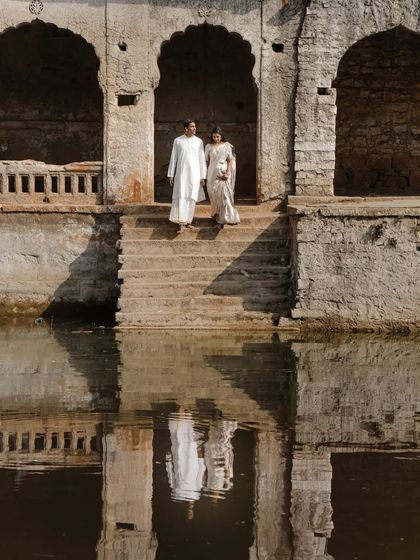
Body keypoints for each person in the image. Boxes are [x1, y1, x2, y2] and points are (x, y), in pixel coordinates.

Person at [167, 119, 207, 233]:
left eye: (195, 126)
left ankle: (188, 222)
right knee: (181, 196)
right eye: (192, 126)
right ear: (186, 128)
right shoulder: (178, 141)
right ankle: (180, 223)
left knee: (192, 197)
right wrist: (171, 174)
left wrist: (203, 176)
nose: (194, 128)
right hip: (181, 174)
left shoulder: (199, 141)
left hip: (195, 174)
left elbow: (201, 159)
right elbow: (173, 158)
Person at [205, 126, 240, 227]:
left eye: (218, 136)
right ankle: (217, 215)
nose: (216, 138)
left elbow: (230, 160)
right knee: (213, 195)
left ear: (221, 136)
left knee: (224, 196)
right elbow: (206, 161)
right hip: (211, 173)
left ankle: (226, 218)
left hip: (223, 173)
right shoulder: (208, 146)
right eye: (214, 136)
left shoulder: (227, 146)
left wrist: (228, 173)